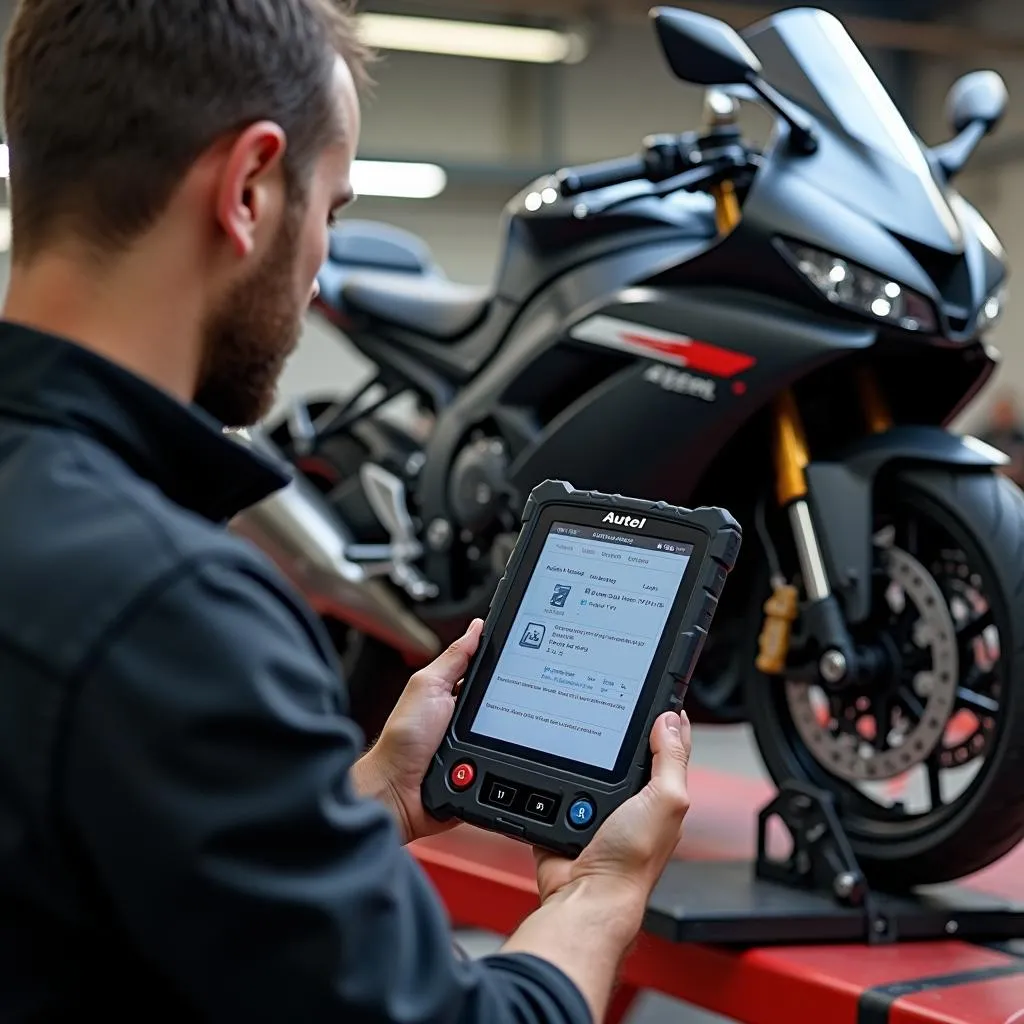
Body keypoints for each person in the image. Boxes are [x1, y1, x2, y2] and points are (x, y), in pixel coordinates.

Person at [0, 2, 694, 1022]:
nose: (322, 257)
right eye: (330, 208)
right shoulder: (167, 608)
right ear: (248, 188)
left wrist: (365, 795)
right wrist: (600, 894)